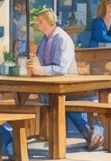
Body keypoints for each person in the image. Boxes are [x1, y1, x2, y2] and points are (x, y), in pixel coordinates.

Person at [28, 8, 104, 150]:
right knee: (40, 101)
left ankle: (96, 132)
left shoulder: (62, 39)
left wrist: (40, 70)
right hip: (51, 86)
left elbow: (61, 69)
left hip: (70, 86)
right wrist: (34, 64)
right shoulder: (45, 39)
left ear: (49, 22)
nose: (38, 25)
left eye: (40, 21)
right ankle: (90, 135)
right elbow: (40, 61)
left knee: (66, 105)